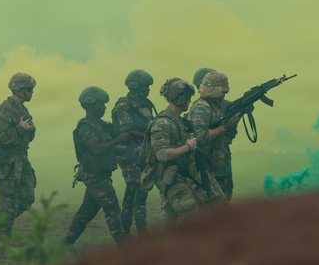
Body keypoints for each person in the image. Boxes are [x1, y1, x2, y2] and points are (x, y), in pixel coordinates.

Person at [144, 77, 225, 226]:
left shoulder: (179, 121)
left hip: (182, 174)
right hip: (170, 177)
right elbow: (162, 155)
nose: (189, 101)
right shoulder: (163, 123)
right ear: (180, 98)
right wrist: (187, 147)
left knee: (172, 219)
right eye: (187, 98)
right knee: (190, 214)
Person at [64, 86, 131, 246]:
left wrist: (130, 149)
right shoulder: (85, 127)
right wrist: (118, 140)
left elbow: (109, 146)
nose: (104, 107)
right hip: (94, 175)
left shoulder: (101, 125)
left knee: (87, 211)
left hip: (100, 174)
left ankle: (67, 242)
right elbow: (95, 149)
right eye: (101, 104)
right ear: (91, 105)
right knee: (112, 207)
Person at [110, 69, 157, 237]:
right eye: (145, 87)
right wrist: (150, 137)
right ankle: (134, 230)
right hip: (129, 155)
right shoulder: (123, 106)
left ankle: (134, 230)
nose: (148, 90)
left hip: (143, 154)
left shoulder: (145, 104)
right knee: (136, 191)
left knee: (138, 193)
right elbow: (127, 130)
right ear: (135, 86)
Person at [0, 72, 37, 235]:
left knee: (27, 197)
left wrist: (30, 129)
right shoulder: (5, 109)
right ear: (19, 90)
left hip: (22, 158)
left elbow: (28, 137)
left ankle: (2, 223)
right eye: (29, 89)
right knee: (8, 200)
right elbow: (0, 137)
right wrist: (20, 128)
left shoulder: (23, 109)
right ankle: (4, 233)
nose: (32, 92)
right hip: (8, 161)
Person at [187, 71, 241, 200]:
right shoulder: (202, 108)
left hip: (220, 165)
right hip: (206, 167)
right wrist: (225, 127)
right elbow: (198, 137)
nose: (224, 94)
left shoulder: (217, 106)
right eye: (223, 91)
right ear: (215, 90)